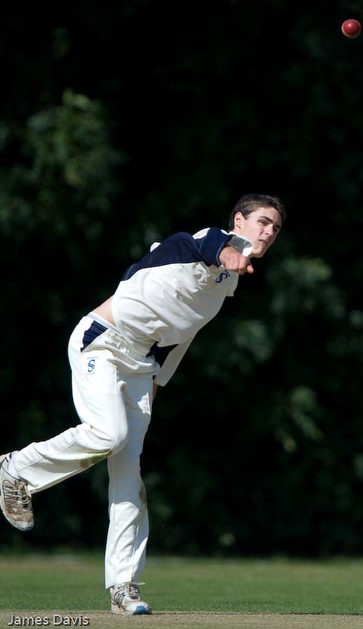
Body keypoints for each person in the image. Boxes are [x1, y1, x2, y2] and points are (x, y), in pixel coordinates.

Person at [0, 193, 286, 615]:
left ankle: (124, 588)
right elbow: (203, 244)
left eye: (275, 227)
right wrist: (228, 253)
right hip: (102, 341)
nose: (269, 231)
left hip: (141, 367)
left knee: (128, 475)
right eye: (262, 221)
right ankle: (16, 468)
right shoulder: (208, 242)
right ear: (239, 221)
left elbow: (180, 334)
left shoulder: (229, 283)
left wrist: (156, 384)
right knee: (107, 435)